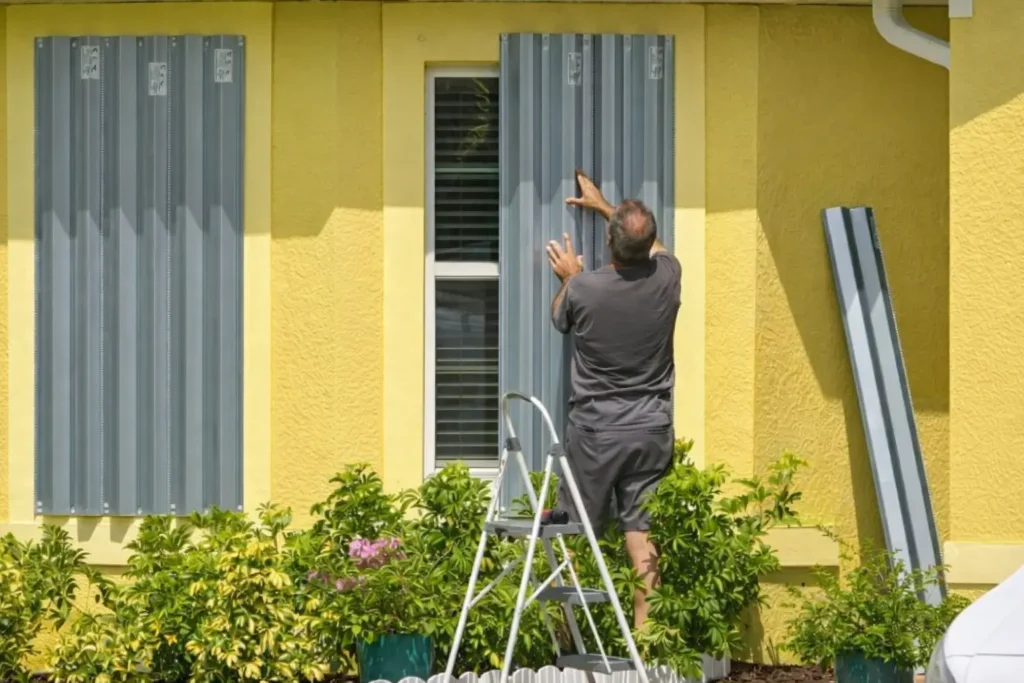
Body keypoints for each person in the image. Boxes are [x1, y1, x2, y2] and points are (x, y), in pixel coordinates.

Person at [545, 170, 681, 630]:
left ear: (608, 241)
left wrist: (569, 276)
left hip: (596, 435)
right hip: (651, 431)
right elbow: (656, 249)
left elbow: (558, 316)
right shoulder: (668, 277)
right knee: (641, 539)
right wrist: (608, 208)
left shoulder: (583, 289)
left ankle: (569, 639)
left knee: (574, 530)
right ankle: (646, 644)